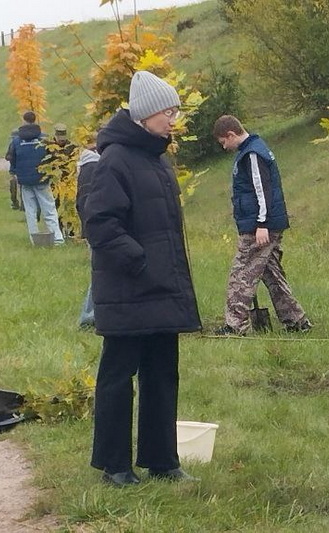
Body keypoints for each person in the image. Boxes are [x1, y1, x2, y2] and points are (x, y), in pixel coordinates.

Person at [83, 71, 201, 486]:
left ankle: (162, 461)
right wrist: (139, 262)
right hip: (130, 290)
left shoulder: (157, 159)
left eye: (174, 112)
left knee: (162, 374)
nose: (173, 119)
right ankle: (114, 466)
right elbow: (99, 223)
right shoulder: (115, 159)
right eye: (168, 112)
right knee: (118, 378)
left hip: (161, 290)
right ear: (146, 115)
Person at [213, 114, 311, 335]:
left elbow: (263, 191)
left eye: (223, 142)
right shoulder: (253, 150)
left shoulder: (253, 155)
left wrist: (262, 224)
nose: (224, 147)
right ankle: (296, 321)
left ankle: (234, 326)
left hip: (259, 227)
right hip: (262, 224)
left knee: (241, 274)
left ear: (230, 134)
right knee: (271, 272)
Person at [8, 112, 64, 245]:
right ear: (35, 120)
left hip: (25, 181)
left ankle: (35, 239)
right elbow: (53, 157)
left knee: (30, 211)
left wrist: (15, 172)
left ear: (23, 121)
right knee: (49, 209)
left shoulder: (16, 141)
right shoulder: (45, 138)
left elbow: (12, 159)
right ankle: (57, 238)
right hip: (42, 179)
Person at [75, 135, 100, 329]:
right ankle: (88, 315)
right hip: (97, 227)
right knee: (100, 271)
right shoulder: (93, 167)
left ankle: (90, 314)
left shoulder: (87, 166)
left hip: (93, 225)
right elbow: (86, 202)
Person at [4, 125, 23, 210]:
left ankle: (23, 205)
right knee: (13, 187)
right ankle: (14, 202)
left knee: (23, 189)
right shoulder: (12, 145)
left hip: (21, 170)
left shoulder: (21, 145)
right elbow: (7, 156)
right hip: (13, 170)